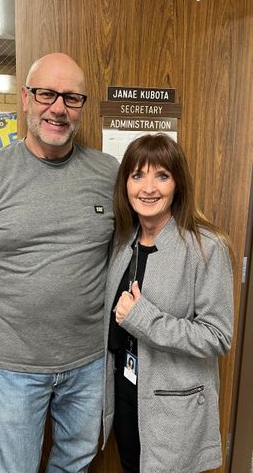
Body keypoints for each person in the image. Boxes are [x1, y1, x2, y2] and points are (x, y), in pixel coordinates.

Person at [0, 52, 119, 473]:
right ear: (25, 98)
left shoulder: (109, 174)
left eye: (71, 98)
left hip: (89, 365)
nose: (58, 108)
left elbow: (136, 248)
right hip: (13, 371)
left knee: (75, 463)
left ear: (82, 106)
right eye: (46, 94)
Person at [102, 134, 233, 473]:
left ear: (177, 184)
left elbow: (217, 336)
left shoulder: (206, 246)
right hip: (126, 397)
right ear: (125, 185)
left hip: (174, 409)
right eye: (137, 175)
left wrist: (143, 318)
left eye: (161, 175)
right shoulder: (123, 242)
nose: (148, 188)